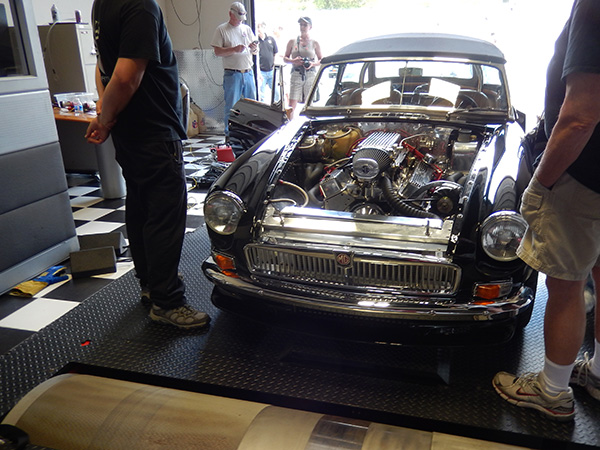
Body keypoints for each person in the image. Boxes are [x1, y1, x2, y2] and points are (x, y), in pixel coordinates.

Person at [492, 0, 600, 421]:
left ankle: (552, 391)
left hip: (583, 173)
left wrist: (541, 183)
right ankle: (596, 373)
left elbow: (580, 116)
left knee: (566, 284)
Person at [85, 0, 210, 329]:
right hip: (153, 129)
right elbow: (125, 78)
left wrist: (106, 117)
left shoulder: (103, 4)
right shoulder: (140, 5)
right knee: (165, 213)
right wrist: (105, 117)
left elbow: (103, 69)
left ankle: (150, 285)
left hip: (130, 130)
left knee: (140, 205)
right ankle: (168, 301)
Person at [211, 2, 258, 140]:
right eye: (238, 17)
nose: (240, 20)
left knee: (253, 105)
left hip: (248, 72)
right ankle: (229, 135)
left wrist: (254, 48)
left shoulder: (247, 29)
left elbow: (255, 50)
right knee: (231, 106)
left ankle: (252, 132)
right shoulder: (222, 30)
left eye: (242, 17)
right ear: (230, 14)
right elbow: (217, 51)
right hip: (232, 73)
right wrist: (234, 49)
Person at [283, 16, 322, 114]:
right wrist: (294, 61)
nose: (303, 27)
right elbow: (285, 58)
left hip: (310, 73)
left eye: (305, 25)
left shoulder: (314, 43)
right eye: (301, 25)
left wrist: (312, 64)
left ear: (310, 27)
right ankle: (289, 122)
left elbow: (321, 59)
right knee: (292, 103)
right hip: (297, 73)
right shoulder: (292, 41)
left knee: (309, 103)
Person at [257, 21, 279, 103]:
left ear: (263, 28)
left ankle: (277, 107)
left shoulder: (271, 39)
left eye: (259, 27)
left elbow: (275, 53)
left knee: (276, 92)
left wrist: (274, 65)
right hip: (261, 72)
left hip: (271, 71)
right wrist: (258, 72)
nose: (258, 30)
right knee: (261, 94)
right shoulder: (256, 41)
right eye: (257, 28)